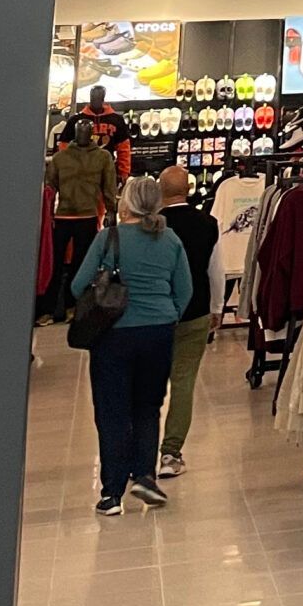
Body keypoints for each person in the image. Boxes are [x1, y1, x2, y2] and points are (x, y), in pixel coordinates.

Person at [70, 171, 194, 515]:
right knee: (147, 407)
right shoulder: (170, 240)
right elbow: (185, 291)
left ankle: (111, 493)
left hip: (113, 335)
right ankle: (144, 476)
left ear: (127, 202)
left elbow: (78, 285)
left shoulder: (108, 238)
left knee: (112, 413)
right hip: (158, 334)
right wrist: (166, 317)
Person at [156, 164, 224, 478]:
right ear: (188, 189)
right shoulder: (208, 223)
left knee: (149, 384)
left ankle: (142, 451)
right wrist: (217, 308)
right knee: (183, 384)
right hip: (195, 311)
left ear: (160, 191)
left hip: (155, 314)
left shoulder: (151, 225)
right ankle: (171, 454)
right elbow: (216, 270)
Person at [43, 117, 118, 323]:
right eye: (79, 130)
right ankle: (48, 309)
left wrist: (112, 210)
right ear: (75, 132)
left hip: (87, 215)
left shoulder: (103, 157)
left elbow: (109, 187)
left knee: (82, 263)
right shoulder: (61, 158)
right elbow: (50, 188)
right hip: (62, 215)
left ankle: (73, 306)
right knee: (54, 263)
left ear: (92, 133)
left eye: (86, 130)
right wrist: (47, 215)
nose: (83, 133)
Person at [58, 84, 133, 183]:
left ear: (103, 98)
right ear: (90, 98)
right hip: (81, 171)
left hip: (107, 171)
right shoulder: (76, 120)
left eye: (99, 97)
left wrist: (123, 172)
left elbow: (124, 148)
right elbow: (64, 147)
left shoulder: (116, 120)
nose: (96, 100)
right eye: (94, 97)